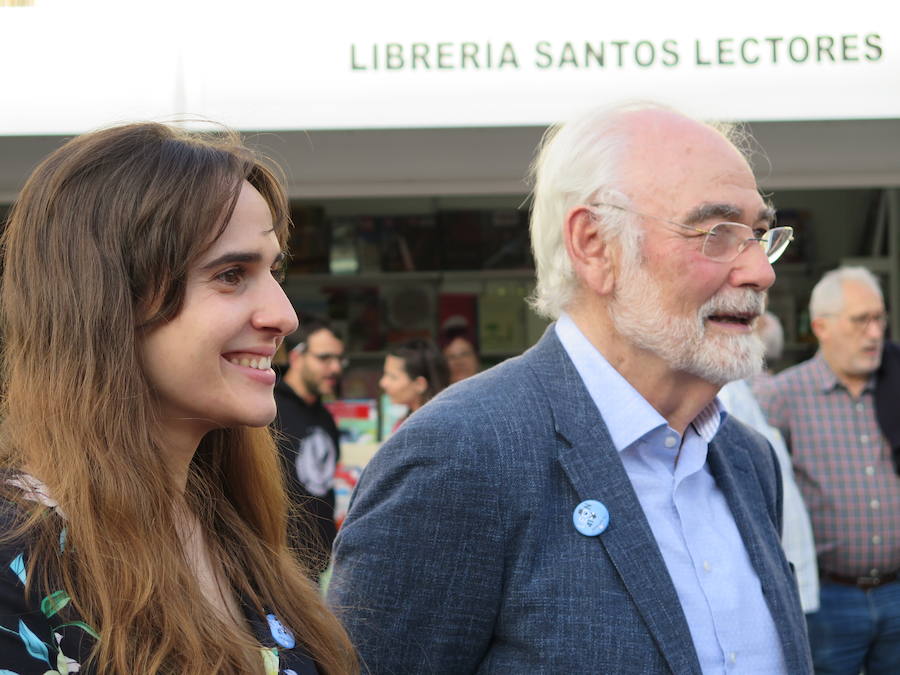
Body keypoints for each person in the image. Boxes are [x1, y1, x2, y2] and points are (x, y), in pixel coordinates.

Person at [329, 103, 811, 673]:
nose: (761, 272)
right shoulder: (461, 456)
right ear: (594, 245)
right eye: (718, 233)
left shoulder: (746, 459)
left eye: (758, 235)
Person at [0, 123, 356, 672]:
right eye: (232, 274)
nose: (284, 315)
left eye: (274, 270)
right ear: (108, 302)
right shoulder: (18, 559)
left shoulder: (230, 528)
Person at [754, 266, 900, 674]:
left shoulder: (895, 383)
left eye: (880, 319)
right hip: (829, 597)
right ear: (822, 327)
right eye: (861, 320)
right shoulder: (783, 396)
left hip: (897, 590)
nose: (875, 334)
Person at [273, 317, 346, 574]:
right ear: (296, 357)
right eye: (325, 358)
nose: (335, 368)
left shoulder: (324, 416)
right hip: (275, 566)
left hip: (317, 564)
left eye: (339, 359)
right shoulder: (268, 410)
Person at [378, 338, 449, 426]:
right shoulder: (405, 422)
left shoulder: (432, 427)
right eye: (385, 374)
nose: (383, 383)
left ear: (420, 384)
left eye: (393, 377)